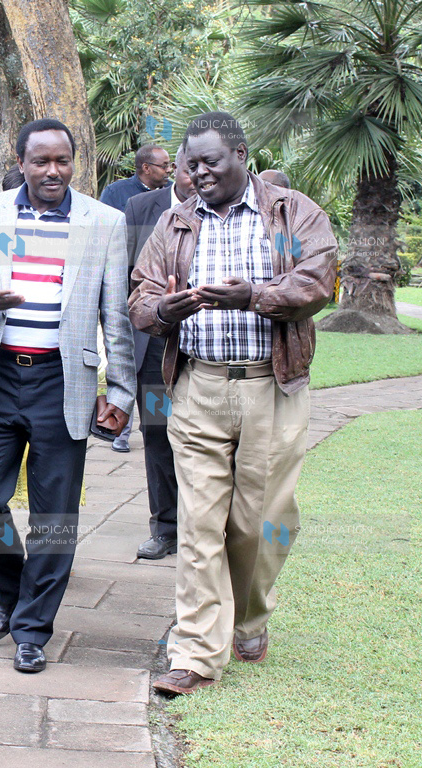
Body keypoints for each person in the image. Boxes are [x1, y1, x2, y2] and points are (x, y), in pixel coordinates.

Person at [129, 112, 337, 695]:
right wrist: (164, 311)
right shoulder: (175, 225)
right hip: (197, 388)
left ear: (241, 154)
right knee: (199, 524)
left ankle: (249, 617)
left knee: (260, 522)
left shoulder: (289, 215)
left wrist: (255, 296)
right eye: (189, 165)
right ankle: (195, 652)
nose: (198, 174)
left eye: (209, 162)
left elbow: (316, 281)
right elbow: (141, 297)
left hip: (272, 386)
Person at [0, 118, 136, 674]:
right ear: (22, 162)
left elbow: (117, 317)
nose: (53, 171)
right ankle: (10, 589)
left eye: (63, 161)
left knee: (54, 515)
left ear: (74, 163)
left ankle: (32, 628)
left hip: (64, 380)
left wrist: (121, 390)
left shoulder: (104, 222)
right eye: (41, 161)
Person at [124, 146, 193, 559]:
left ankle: (213, 526)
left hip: (207, 346)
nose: (194, 177)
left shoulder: (226, 209)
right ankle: (165, 526)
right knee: (156, 433)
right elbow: (123, 277)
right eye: (187, 169)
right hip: (152, 347)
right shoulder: (140, 207)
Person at [100, 143, 172, 451]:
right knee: (130, 369)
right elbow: (117, 254)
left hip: (173, 321)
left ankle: (156, 435)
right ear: (145, 167)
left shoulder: (174, 199)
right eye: (165, 166)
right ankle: (122, 432)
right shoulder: (121, 195)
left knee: (160, 419)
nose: (169, 172)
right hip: (137, 310)